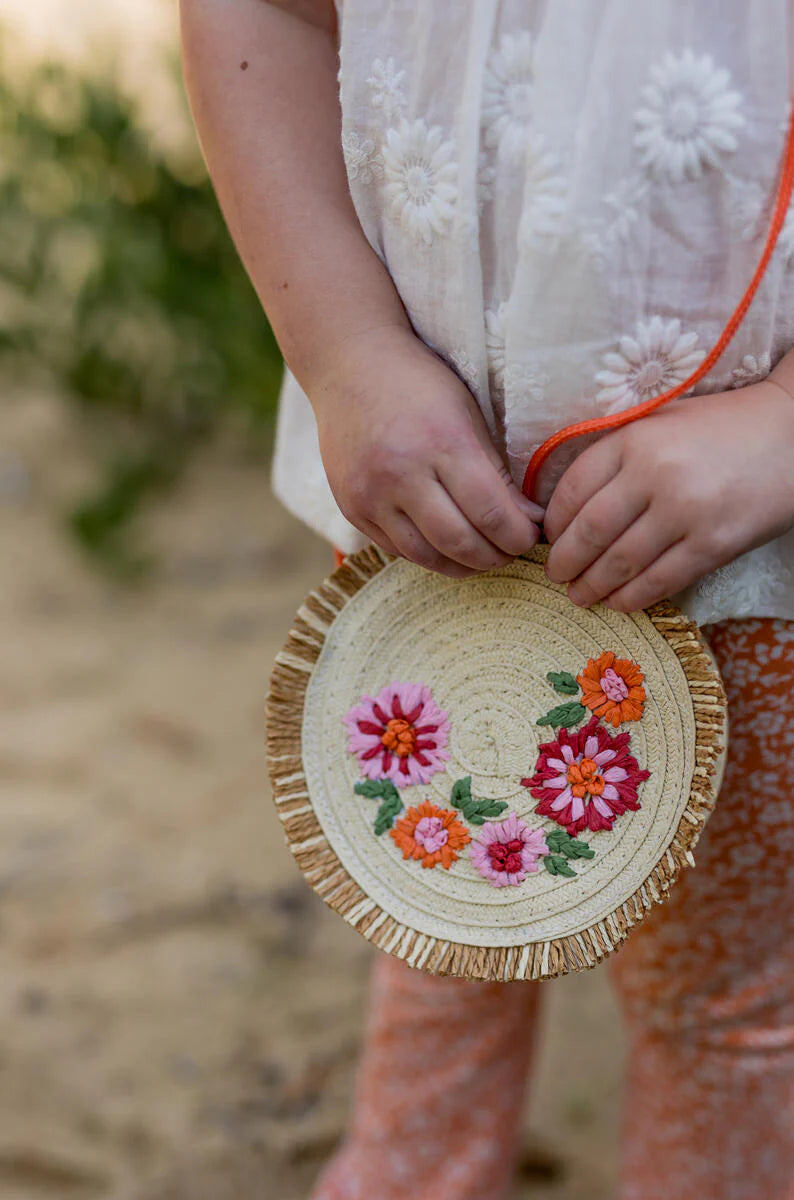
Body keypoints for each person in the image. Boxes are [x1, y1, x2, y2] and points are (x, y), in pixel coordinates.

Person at [180, 3, 794, 1196]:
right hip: (429, 504)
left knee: (727, 1008)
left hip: (747, 555)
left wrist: (782, 427)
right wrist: (347, 354)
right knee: (440, 904)